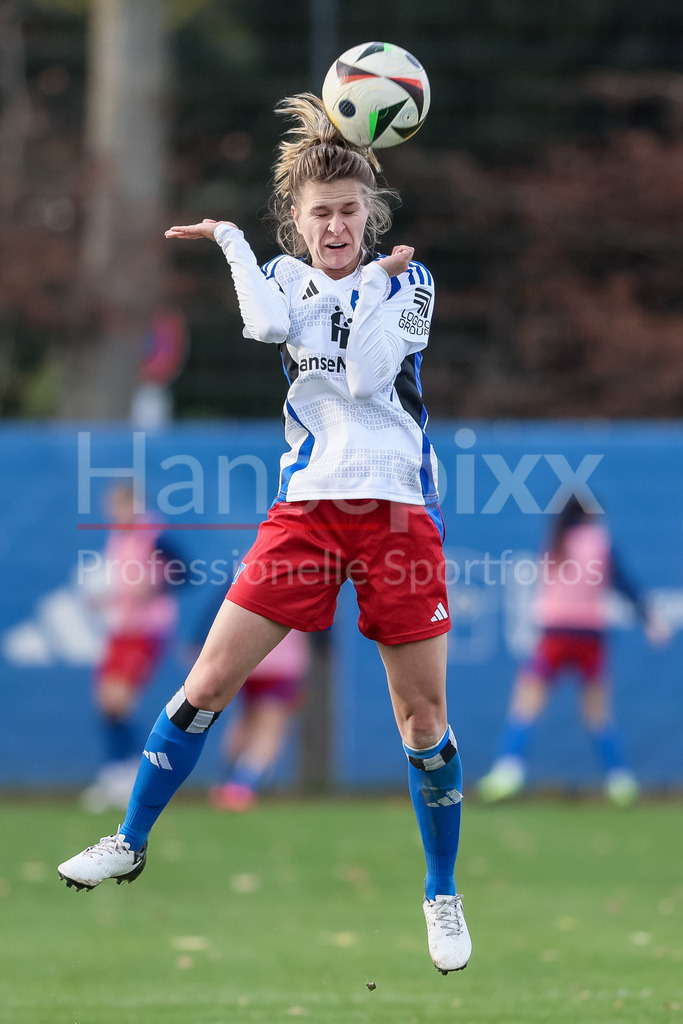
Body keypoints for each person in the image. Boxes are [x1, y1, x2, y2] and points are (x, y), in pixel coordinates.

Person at [58, 93, 471, 975]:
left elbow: (363, 380)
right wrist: (235, 246)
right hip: (307, 512)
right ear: (297, 218)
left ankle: (440, 892)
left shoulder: (411, 281)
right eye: (320, 214)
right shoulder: (287, 277)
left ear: (370, 216)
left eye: (349, 213)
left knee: (421, 719)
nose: (335, 226)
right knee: (206, 680)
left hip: (396, 511)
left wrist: (379, 285)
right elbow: (262, 323)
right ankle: (129, 840)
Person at [477, 497, 669, 807]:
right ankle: (621, 782)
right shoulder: (600, 541)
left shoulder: (553, 541)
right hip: (590, 636)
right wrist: (650, 619)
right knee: (598, 714)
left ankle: (508, 771)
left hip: (554, 634)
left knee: (525, 705)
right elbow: (623, 582)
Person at [80, 483, 182, 813]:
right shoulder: (118, 537)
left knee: (119, 699)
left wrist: (153, 587)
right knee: (105, 703)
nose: (113, 511)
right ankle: (115, 775)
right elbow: (122, 584)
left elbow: (184, 571)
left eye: (118, 504)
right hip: (121, 628)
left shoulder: (153, 535)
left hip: (147, 629)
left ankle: (130, 778)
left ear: (134, 503)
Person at [209, 628, 309, 811]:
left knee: (244, 721)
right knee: (270, 728)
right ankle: (241, 786)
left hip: (247, 661)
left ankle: (224, 781)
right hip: (282, 664)